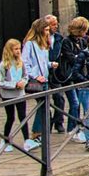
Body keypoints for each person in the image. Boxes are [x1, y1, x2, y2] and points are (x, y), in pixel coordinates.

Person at [58, 16, 89, 140]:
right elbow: (71, 58)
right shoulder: (67, 42)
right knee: (74, 102)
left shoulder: (82, 41)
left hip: (78, 76)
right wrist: (81, 57)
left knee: (78, 102)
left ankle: (76, 127)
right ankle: (72, 129)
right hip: (68, 76)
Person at [21, 19, 51, 147]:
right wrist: (35, 75)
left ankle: (41, 132)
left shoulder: (44, 44)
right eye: (46, 29)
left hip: (45, 78)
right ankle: (37, 133)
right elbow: (24, 63)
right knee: (43, 106)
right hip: (37, 80)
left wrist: (51, 64)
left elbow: (44, 62)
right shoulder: (30, 44)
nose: (48, 32)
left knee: (45, 106)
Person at [0, 38, 27, 153]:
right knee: (11, 117)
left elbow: (25, 75)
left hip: (20, 93)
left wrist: (23, 82)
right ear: (9, 50)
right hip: (8, 94)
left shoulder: (21, 62)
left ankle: (27, 140)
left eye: (19, 49)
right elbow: (1, 81)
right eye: (15, 49)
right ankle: (5, 140)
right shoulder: (3, 65)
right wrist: (14, 84)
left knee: (23, 116)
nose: (18, 51)